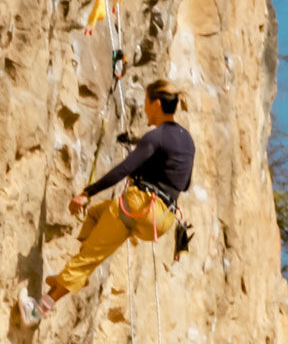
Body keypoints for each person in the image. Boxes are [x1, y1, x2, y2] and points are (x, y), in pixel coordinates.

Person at [22, 79, 193, 324]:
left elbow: (123, 169)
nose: (145, 109)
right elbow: (183, 184)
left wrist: (87, 193)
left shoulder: (156, 137)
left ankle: (38, 310)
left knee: (87, 258)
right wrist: (144, 159)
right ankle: (78, 273)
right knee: (95, 216)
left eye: (147, 104)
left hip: (139, 206)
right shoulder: (186, 140)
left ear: (156, 103)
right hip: (163, 218)